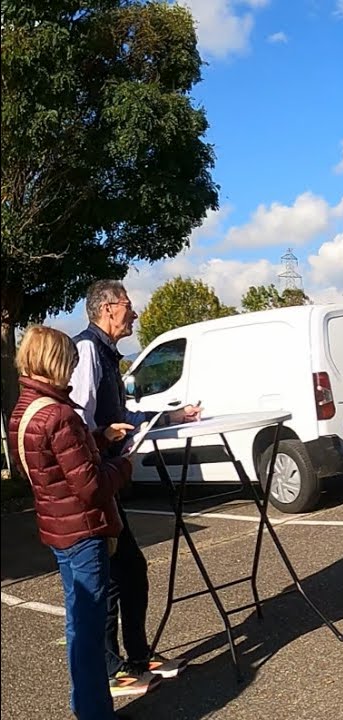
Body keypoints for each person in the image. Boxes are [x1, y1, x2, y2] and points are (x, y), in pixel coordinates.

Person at [68, 280, 199, 687]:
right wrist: (104, 438)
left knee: (127, 569)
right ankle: (114, 668)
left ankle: (137, 658)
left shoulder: (106, 353)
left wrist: (172, 416)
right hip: (93, 481)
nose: (135, 313)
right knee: (116, 572)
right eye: (128, 305)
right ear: (107, 309)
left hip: (105, 478)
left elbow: (118, 415)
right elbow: (81, 419)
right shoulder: (88, 349)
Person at [9, 326, 134, 719]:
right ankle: (96, 711)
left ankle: (88, 706)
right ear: (56, 362)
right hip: (83, 531)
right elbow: (92, 487)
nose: (72, 371)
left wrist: (98, 437)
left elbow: (54, 463)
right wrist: (124, 465)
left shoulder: (24, 410)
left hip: (57, 527)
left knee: (78, 622)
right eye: (70, 363)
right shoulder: (60, 415)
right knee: (89, 629)